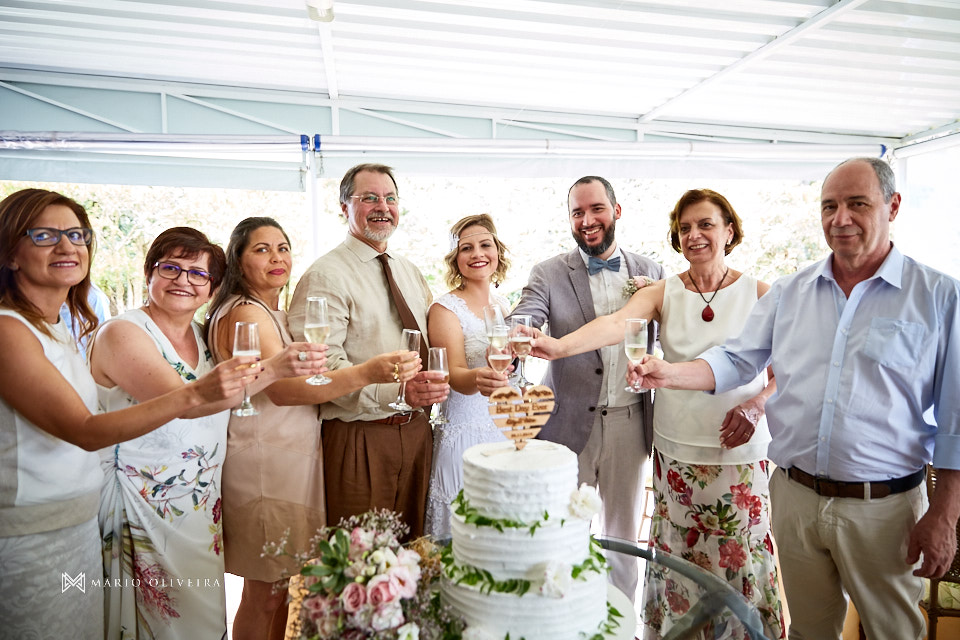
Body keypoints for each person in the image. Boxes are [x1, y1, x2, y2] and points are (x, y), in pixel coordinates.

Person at [630, 157, 960, 640]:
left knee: (894, 633)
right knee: (808, 631)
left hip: (884, 509)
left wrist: (945, 513)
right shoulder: (790, 292)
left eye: (857, 204)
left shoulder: (939, 296)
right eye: (829, 206)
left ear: (893, 206)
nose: (840, 218)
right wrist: (667, 372)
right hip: (795, 497)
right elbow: (734, 360)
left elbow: (956, 420)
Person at [0, 190, 258, 640]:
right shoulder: (8, 330)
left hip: (78, 521)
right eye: (45, 235)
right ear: (11, 252)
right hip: (34, 533)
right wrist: (196, 395)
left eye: (76, 235)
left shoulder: (57, 326)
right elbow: (84, 430)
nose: (66, 246)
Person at [528, 189, 784, 639]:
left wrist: (757, 402)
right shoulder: (665, 291)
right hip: (676, 455)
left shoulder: (762, 293)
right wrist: (557, 346)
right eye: (685, 228)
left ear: (729, 230)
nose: (694, 235)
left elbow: (791, 367)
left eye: (705, 224)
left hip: (738, 456)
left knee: (739, 559)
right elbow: (616, 324)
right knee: (678, 562)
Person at [89, 227, 325, 640]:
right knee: (156, 622)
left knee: (202, 619)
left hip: (199, 508)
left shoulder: (204, 337)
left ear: (211, 287)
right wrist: (273, 369)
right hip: (142, 505)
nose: (183, 280)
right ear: (149, 274)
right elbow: (186, 402)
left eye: (198, 274)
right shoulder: (124, 332)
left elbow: (231, 398)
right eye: (171, 268)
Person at [205, 216, 420, 640]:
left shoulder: (273, 312)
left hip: (290, 458)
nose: (276, 257)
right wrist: (367, 373)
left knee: (282, 587)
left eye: (282, 248)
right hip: (265, 462)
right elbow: (283, 391)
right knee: (265, 591)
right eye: (262, 249)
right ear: (238, 260)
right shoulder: (246, 311)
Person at [479, 176, 664, 602]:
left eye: (596, 208)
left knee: (624, 540)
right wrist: (515, 334)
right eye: (577, 212)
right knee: (562, 534)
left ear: (617, 211)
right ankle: (564, 620)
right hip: (566, 426)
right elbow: (525, 314)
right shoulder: (547, 272)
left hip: (630, 423)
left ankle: (619, 620)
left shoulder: (651, 272)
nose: (587, 220)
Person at [288, 163, 450, 539]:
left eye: (390, 198)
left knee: (411, 562)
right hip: (360, 437)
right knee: (356, 568)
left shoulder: (409, 271)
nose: (383, 206)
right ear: (344, 207)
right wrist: (395, 392)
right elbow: (320, 371)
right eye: (370, 198)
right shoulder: (325, 275)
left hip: (416, 433)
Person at [424, 214, 509, 538]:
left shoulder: (504, 306)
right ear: (455, 259)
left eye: (485, 245)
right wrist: (478, 378)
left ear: (497, 251)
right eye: (466, 248)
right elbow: (452, 374)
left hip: (503, 429)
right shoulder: (445, 309)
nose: (478, 254)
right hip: (463, 431)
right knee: (462, 529)